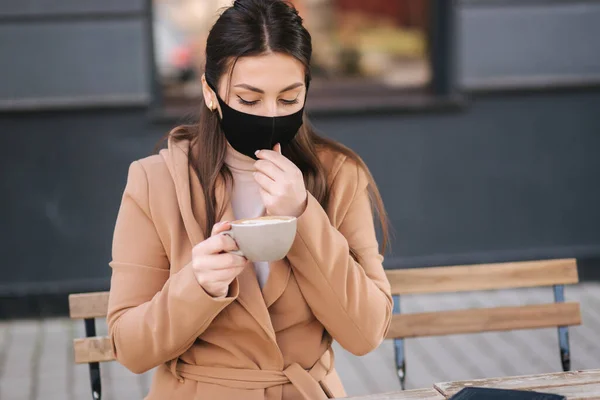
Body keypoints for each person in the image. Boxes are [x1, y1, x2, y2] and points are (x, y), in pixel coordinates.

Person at [107, 0, 392, 399]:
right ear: (210, 93)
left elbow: (366, 333)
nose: (270, 114)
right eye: (248, 100)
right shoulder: (155, 181)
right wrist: (197, 285)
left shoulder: (338, 174)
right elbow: (130, 349)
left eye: (289, 99)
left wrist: (304, 216)